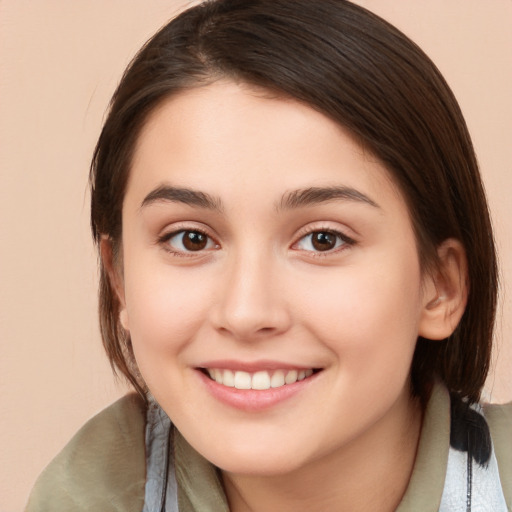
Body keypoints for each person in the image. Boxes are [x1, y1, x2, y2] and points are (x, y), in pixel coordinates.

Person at [26, 0, 511, 511]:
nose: (246, 312)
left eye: (323, 239)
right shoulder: (87, 495)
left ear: (440, 287)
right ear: (119, 277)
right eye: (190, 239)